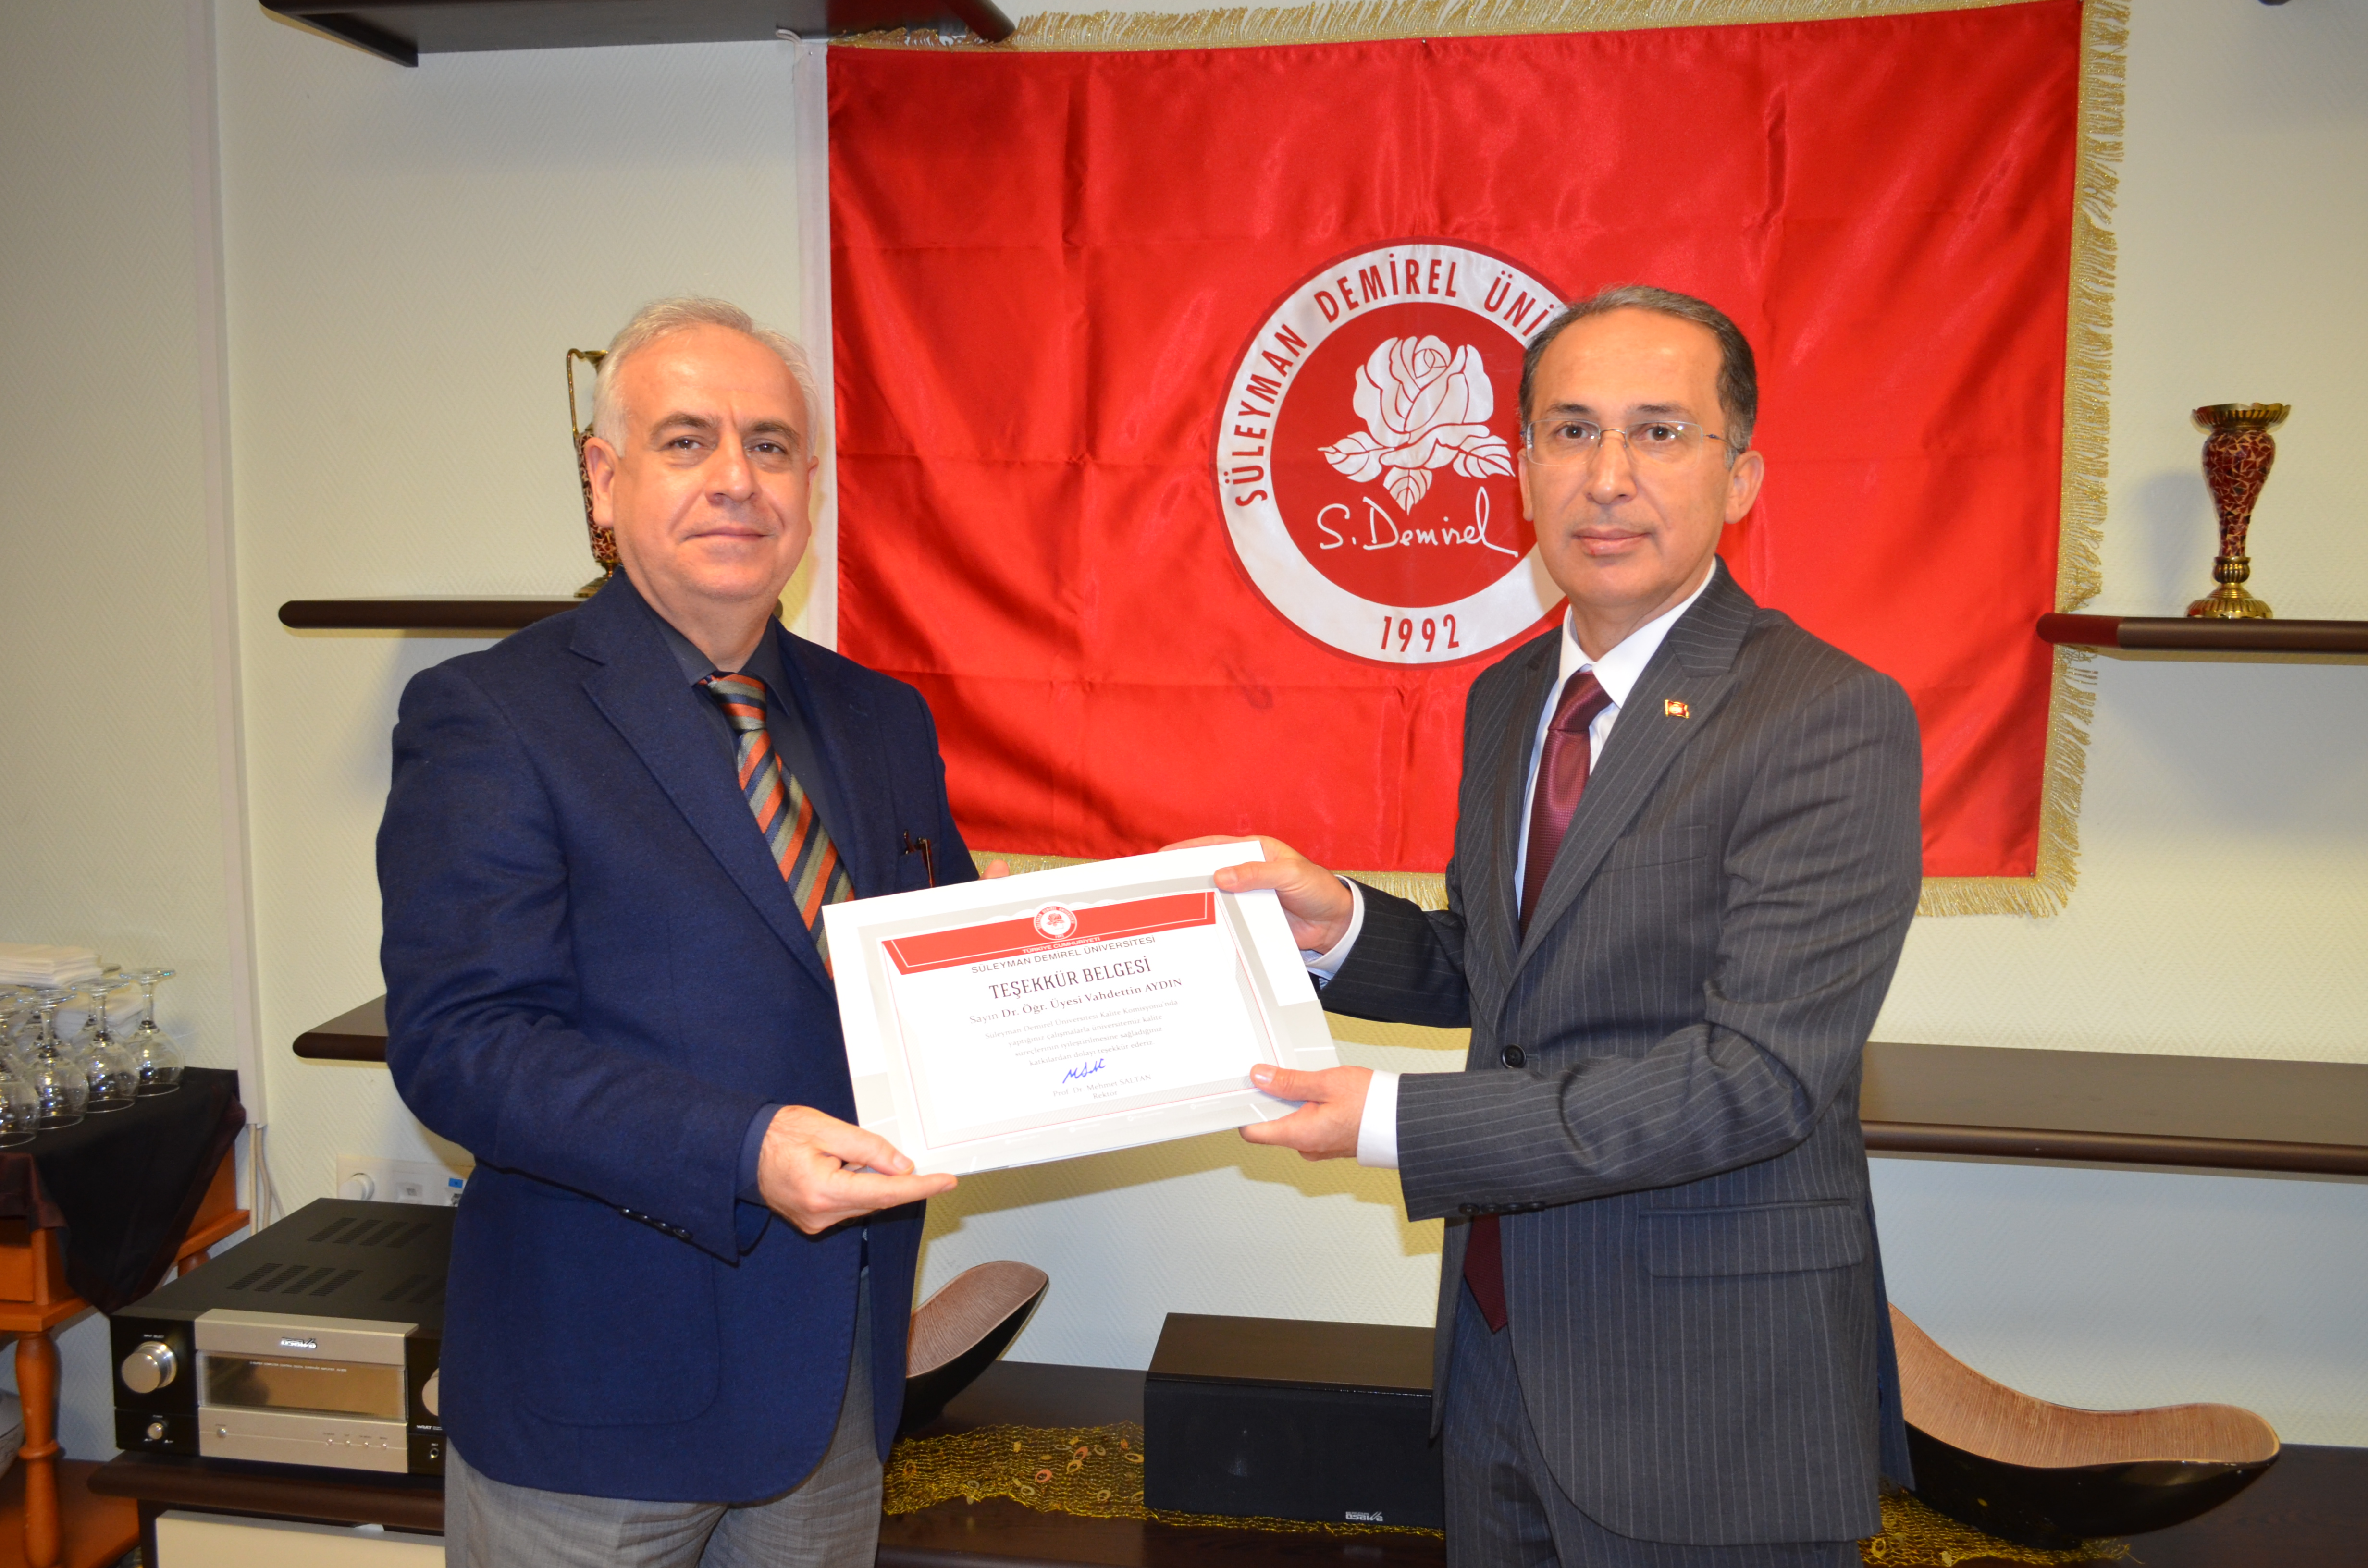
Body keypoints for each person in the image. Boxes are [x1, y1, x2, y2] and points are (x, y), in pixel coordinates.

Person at [1206, 286, 1923, 1566]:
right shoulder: (1512, 697)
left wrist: (1392, 1121)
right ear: (1522, 468)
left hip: (1707, 1395)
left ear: (1741, 477)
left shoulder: (1826, 714)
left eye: (1660, 432)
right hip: (1498, 1368)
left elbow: (1756, 1079)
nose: (1608, 477)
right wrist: (1337, 927)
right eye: (1572, 431)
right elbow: (1510, 974)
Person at [379, 297, 970, 1566]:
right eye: (688, 441)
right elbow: (464, 1047)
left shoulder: (884, 721)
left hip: (831, 1391)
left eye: (772, 446)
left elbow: (950, 985)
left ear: (810, 487)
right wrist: (745, 1150)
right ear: (606, 480)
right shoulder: (491, 713)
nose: (737, 480)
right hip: (596, 1405)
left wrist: (1154, 961)